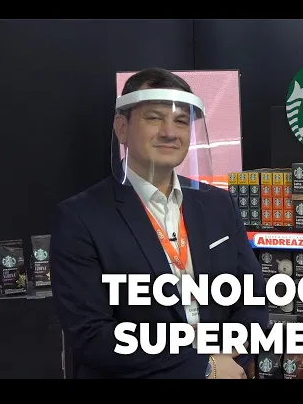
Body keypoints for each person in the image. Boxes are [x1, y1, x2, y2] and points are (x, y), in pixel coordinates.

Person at [50, 67, 268, 379]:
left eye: (181, 121)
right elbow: (92, 335)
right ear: (122, 128)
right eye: (154, 118)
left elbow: (251, 298)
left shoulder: (219, 205)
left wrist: (229, 356)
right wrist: (204, 368)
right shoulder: (80, 217)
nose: (169, 132)